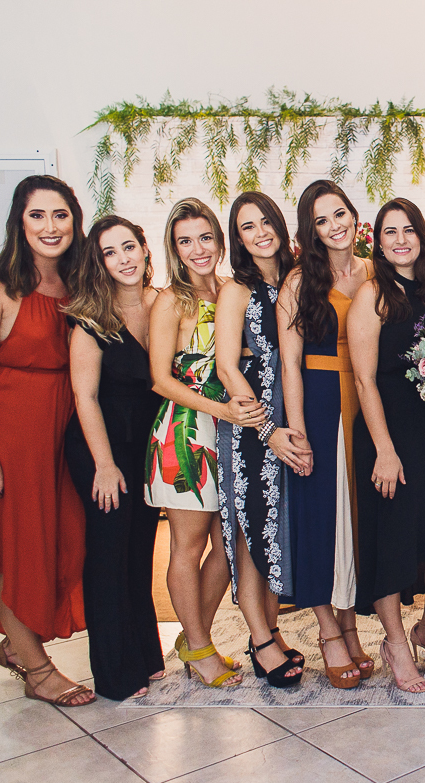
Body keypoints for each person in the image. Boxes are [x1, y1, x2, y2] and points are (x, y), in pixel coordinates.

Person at [0, 175, 94, 706]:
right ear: (20, 220)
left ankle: (16, 644)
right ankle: (37, 671)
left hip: (59, 440)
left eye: (60, 215)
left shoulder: (78, 283)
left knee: (53, 546)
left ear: (73, 221)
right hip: (10, 439)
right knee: (10, 550)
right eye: (38, 215)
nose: (50, 226)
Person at [147, 198, 263, 688]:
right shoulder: (172, 301)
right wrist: (220, 411)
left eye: (205, 237)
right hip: (186, 434)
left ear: (220, 239)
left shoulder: (235, 289)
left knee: (229, 548)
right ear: (174, 249)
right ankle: (197, 646)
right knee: (188, 545)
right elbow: (159, 379)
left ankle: (198, 637)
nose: (198, 249)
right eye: (185, 241)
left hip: (229, 434)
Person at [348, 197, 425, 693]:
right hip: (385, 432)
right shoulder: (373, 294)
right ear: (378, 242)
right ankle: (395, 643)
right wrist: (384, 450)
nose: (401, 239)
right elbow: (364, 380)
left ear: (421, 236)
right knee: (389, 539)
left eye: (409, 229)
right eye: (390, 232)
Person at [278, 180, 375, 689]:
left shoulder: (373, 271)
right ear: (310, 230)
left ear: (354, 217)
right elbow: (289, 364)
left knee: (356, 520)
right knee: (320, 519)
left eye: (340, 214)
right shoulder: (299, 281)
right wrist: (296, 430)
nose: (334, 225)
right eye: (321, 219)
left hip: (367, 400)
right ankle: (326, 631)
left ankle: (352, 625)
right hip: (318, 401)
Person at [63, 216, 165, 700]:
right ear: (98, 262)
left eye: (130, 247)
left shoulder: (162, 304)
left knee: (140, 550)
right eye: (110, 251)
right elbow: (84, 398)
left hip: (146, 449)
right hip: (101, 448)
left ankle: (146, 655)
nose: (124, 258)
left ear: (146, 250)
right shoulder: (90, 320)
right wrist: (104, 465)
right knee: (109, 556)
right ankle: (115, 673)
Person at [215, 192, 310, 688]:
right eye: (246, 226)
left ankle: (272, 628)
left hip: (294, 419)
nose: (259, 232)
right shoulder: (236, 291)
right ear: (239, 238)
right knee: (253, 533)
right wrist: (266, 428)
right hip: (252, 429)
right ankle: (260, 640)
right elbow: (227, 366)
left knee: (279, 529)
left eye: (265, 221)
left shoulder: (299, 279)